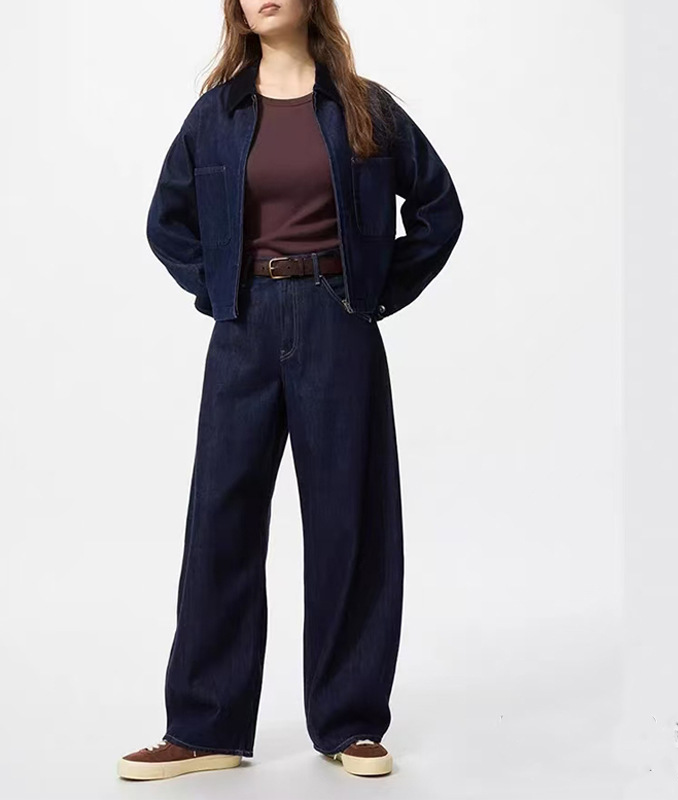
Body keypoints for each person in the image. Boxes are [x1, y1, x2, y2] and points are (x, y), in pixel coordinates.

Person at [117, 0, 463, 781]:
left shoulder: (366, 108)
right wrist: (219, 291)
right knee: (221, 518)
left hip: (339, 322)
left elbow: (439, 209)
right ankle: (204, 727)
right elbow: (167, 221)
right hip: (243, 327)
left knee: (351, 518)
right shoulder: (216, 116)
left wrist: (374, 291)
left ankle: (350, 721)